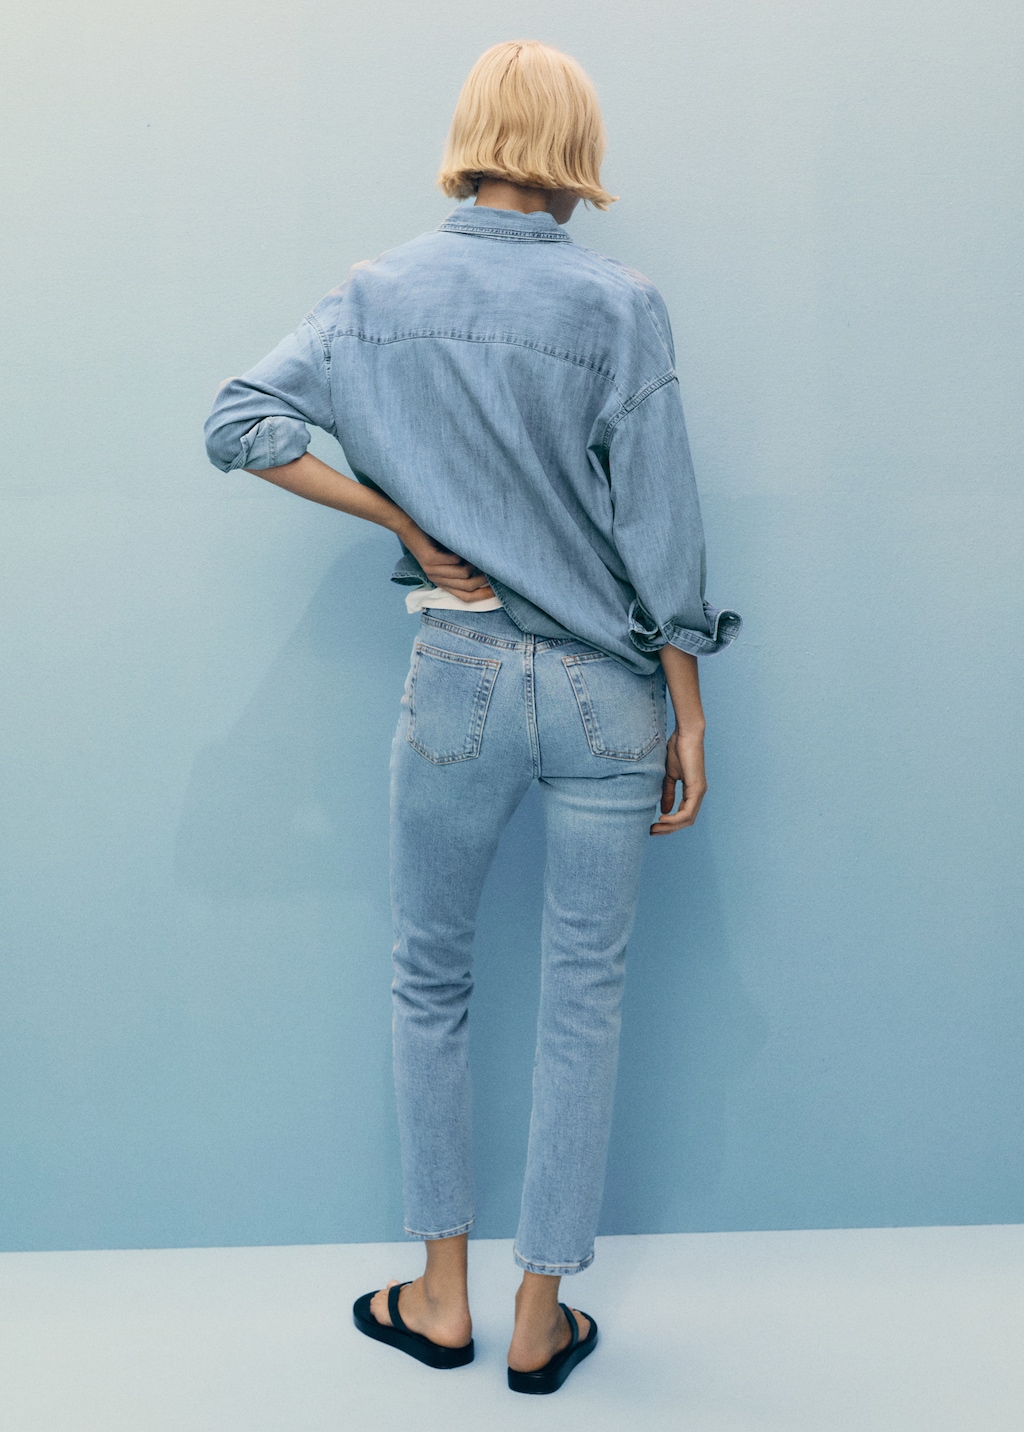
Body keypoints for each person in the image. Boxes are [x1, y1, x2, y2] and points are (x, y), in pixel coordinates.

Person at [204, 39, 740, 1395]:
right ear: (573, 145)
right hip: (609, 692)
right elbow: (662, 526)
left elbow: (239, 422)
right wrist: (687, 709)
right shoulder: (622, 307)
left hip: (458, 679)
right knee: (584, 999)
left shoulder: (375, 294)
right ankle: (540, 1319)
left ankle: (440, 1298)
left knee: (429, 981)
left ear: (472, 135)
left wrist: (399, 514)